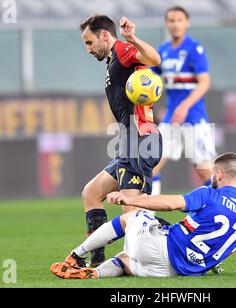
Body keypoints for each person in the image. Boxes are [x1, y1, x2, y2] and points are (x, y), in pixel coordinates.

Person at [50, 152, 236, 279]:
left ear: (219, 174)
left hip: (164, 248)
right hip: (176, 271)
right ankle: (96, 272)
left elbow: (171, 204)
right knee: (126, 259)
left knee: (132, 218)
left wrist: (132, 200)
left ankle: (76, 255)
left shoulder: (210, 194)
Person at [75, 14, 162, 267]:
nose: (88, 50)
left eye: (89, 43)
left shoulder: (122, 49)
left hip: (140, 141)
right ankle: (97, 258)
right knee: (91, 193)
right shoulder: (113, 61)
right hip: (130, 144)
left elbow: (154, 60)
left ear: (104, 35)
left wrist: (131, 38)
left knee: (132, 213)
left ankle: (172, 246)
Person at [151, 6, 215, 195]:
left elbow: (205, 82)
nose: (176, 24)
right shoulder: (162, 50)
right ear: (166, 23)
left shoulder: (194, 49)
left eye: (180, 20)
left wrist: (185, 106)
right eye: (171, 20)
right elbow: (149, 80)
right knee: (152, 166)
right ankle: (146, 218)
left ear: (187, 23)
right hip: (171, 117)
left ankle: (223, 210)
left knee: (204, 170)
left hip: (194, 116)